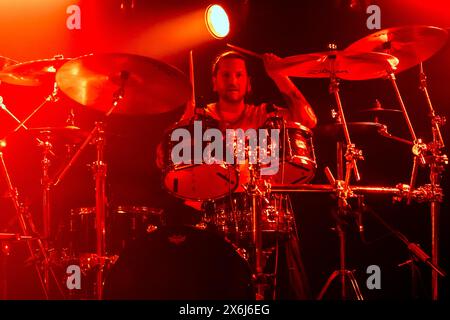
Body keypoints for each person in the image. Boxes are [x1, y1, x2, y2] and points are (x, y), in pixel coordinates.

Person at [157, 50, 317, 299]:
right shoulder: (201, 115)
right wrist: (176, 133)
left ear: (248, 82)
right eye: (226, 75)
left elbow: (309, 120)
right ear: (214, 81)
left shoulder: (264, 113)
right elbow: (169, 153)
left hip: (263, 212)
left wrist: (280, 75)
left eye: (239, 75)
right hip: (213, 215)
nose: (233, 80)